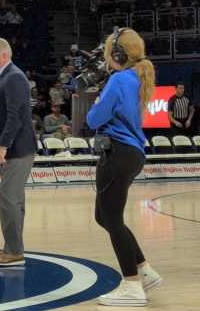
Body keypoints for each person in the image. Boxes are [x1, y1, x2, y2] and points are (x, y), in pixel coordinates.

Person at [86, 29, 162, 307]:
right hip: (131, 153)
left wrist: (96, 100)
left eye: (107, 52)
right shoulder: (134, 78)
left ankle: (131, 284)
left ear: (118, 55)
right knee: (104, 216)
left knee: (112, 218)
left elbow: (94, 119)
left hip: (116, 153)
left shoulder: (118, 80)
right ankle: (143, 269)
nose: (104, 58)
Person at [0, 37, 35, 267]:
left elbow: (15, 117)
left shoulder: (13, 77)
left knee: (8, 200)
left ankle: (13, 252)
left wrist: (3, 146)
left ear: (4, 56)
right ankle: (13, 248)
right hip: (11, 149)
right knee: (14, 201)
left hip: (17, 149)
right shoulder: (0, 78)